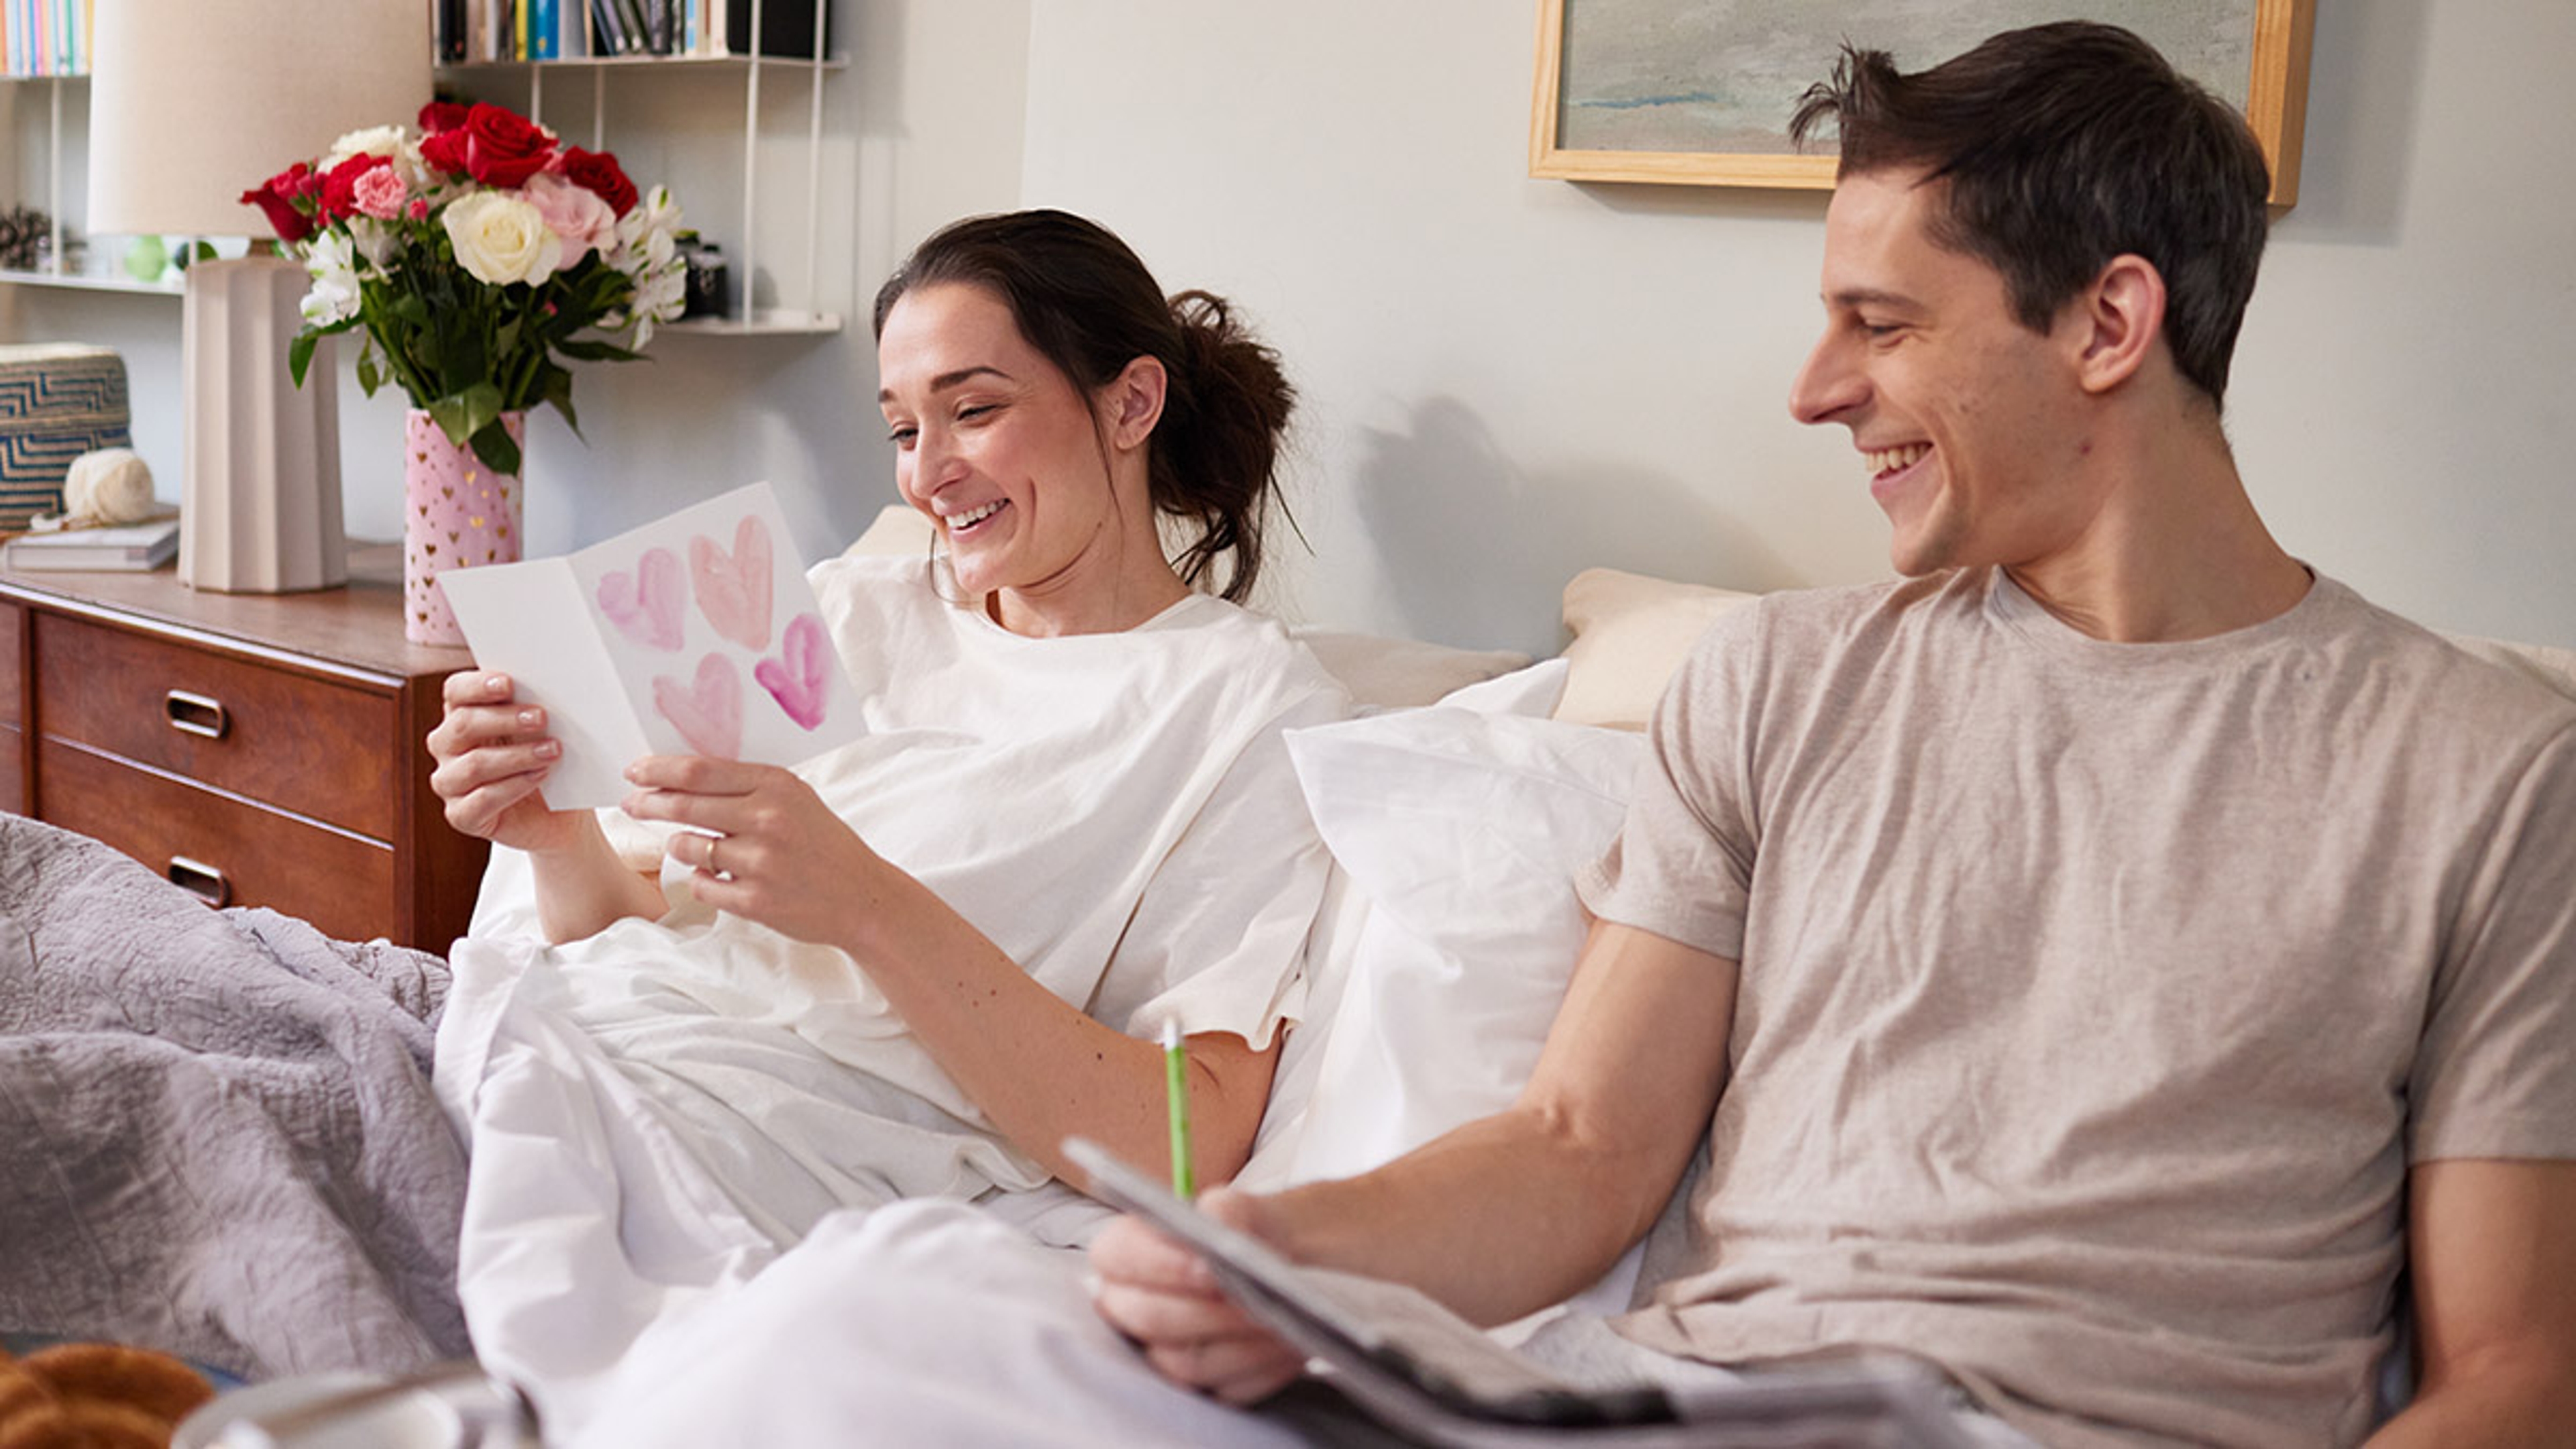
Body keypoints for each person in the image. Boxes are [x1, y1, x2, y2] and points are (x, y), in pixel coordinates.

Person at [1075, 21, 2576, 1449]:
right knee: (883, 1300)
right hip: (1685, 1403)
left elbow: (2517, 1377)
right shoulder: (1776, 684)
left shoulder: (2488, 773)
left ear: (2111, 324)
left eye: (1884, 324)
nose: (1816, 391)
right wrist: (1279, 1254)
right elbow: (1579, 1151)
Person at [422, 208, 1349, 1434]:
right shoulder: (858, 602)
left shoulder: (1243, 709)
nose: (926, 473)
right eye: (905, 430)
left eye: (973, 412)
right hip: (571, 1036)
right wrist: (557, 839)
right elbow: (642, 941)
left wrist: (864, 905)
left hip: (744, 1146)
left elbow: (1185, 1146)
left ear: (1132, 405)